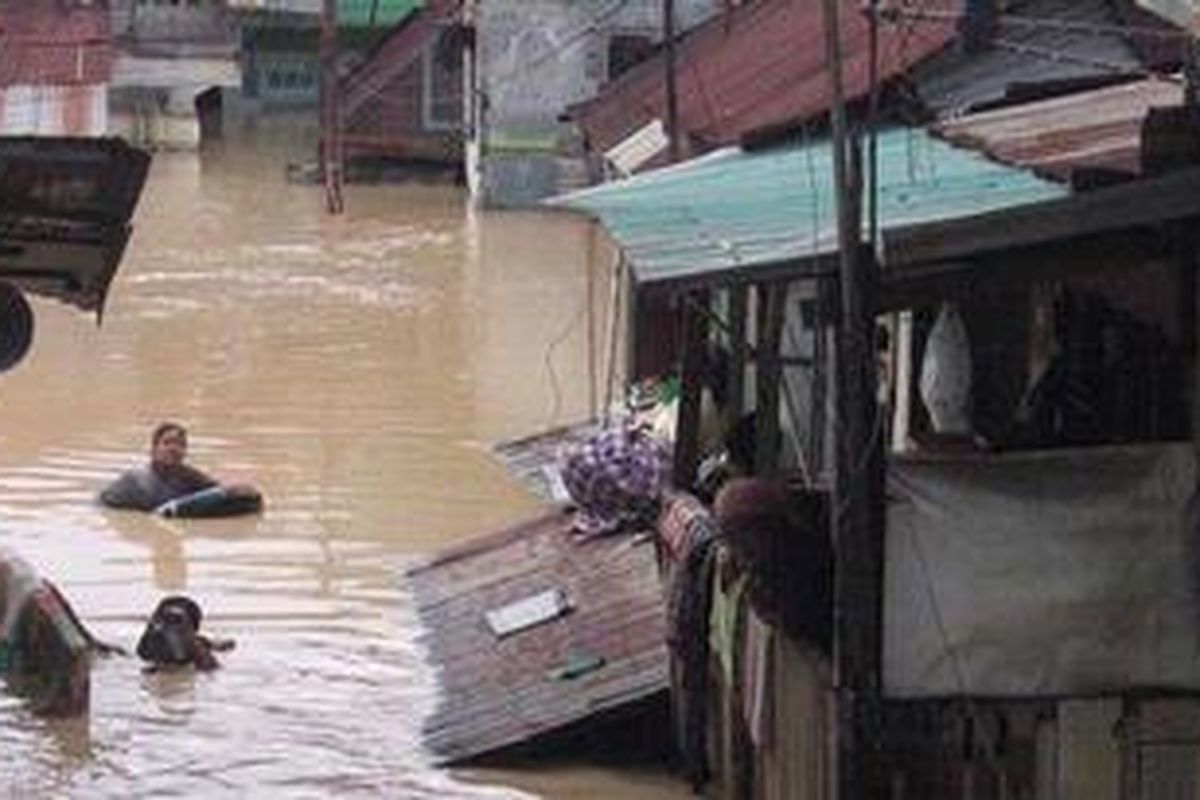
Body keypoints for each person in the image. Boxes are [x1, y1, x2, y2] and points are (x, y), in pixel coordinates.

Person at [99, 422, 261, 515]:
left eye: (180, 445)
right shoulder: (135, 480)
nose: (174, 448)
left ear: (185, 452)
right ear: (153, 449)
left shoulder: (189, 476)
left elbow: (222, 492)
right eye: (167, 443)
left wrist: (242, 489)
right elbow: (104, 507)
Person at [136, 595, 234, 672]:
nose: (167, 628)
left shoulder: (199, 648)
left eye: (175, 622)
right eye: (161, 621)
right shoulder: (198, 647)